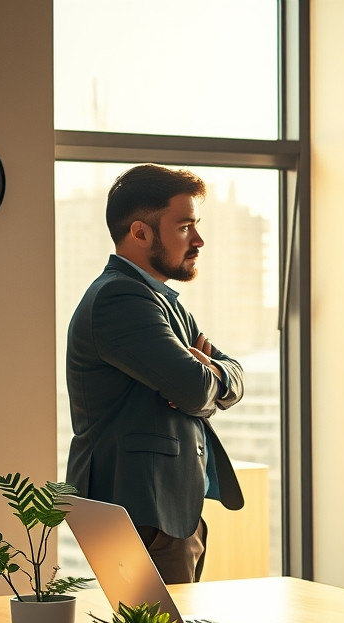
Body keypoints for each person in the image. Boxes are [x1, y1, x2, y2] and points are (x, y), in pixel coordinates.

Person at [66, 164, 245, 583]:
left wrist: (213, 373)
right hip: (141, 508)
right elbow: (194, 387)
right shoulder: (120, 298)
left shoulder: (163, 301)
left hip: (165, 508)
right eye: (184, 227)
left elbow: (233, 375)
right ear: (140, 233)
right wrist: (204, 380)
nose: (198, 240)